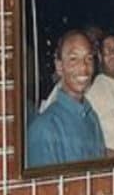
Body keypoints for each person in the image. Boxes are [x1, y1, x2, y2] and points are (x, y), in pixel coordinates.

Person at [25, 29, 105, 169]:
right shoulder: (44, 129)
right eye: (74, 59)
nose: (83, 67)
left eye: (89, 58)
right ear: (59, 67)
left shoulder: (91, 117)